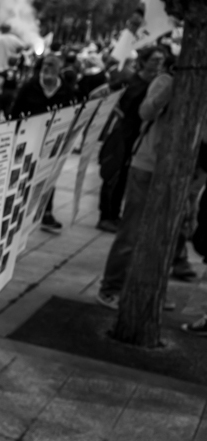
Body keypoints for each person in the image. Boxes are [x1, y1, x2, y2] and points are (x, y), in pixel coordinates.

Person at [96, 49, 194, 308]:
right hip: (147, 165)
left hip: (178, 170)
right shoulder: (164, 82)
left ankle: (151, 291)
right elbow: (145, 113)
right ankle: (111, 287)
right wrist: (170, 88)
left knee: (165, 234)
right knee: (132, 232)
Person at [98, 45, 166, 232]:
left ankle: (115, 215)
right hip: (122, 133)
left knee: (126, 176)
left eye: (161, 60)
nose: (158, 64)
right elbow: (102, 94)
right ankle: (105, 216)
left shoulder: (159, 85)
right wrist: (114, 111)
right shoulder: (129, 81)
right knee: (113, 173)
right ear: (143, 62)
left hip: (140, 136)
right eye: (154, 59)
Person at [10, 54, 79, 232]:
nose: (47, 68)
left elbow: (72, 115)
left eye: (52, 65)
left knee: (49, 176)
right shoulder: (29, 87)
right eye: (45, 65)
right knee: (23, 176)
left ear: (59, 69)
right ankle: (15, 214)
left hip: (53, 141)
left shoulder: (66, 90)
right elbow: (15, 113)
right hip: (29, 139)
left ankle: (45, 213)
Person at [0, 24, 29, 122]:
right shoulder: (13, 39)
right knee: (8, 104)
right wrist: (15, 53)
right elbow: (23, 46)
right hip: (11, 72)